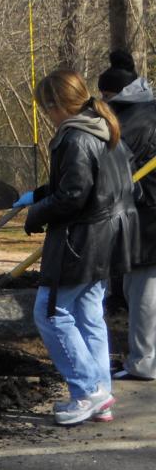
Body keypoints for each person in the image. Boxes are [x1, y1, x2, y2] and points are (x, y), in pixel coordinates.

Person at [14, 69, 139, 425]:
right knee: (88, 314)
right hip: (109, 238)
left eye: (45, 108)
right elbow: (86, 182)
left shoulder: (75, 138)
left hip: (83, 241)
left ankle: (88, 392)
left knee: (51, 312)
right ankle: (101, 394)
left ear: (57, 106)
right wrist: (37, 195)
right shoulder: (103, 128)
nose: (45, 114)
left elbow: (73, 195)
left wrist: (35, 214)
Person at [98, 50, 156, 381]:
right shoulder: (145, 109)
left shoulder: (132, 121)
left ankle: (145, 362)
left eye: (104, 96)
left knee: (143, 290)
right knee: (142, 287)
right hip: (144, 212)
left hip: (148, 216)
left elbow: (109, 172)